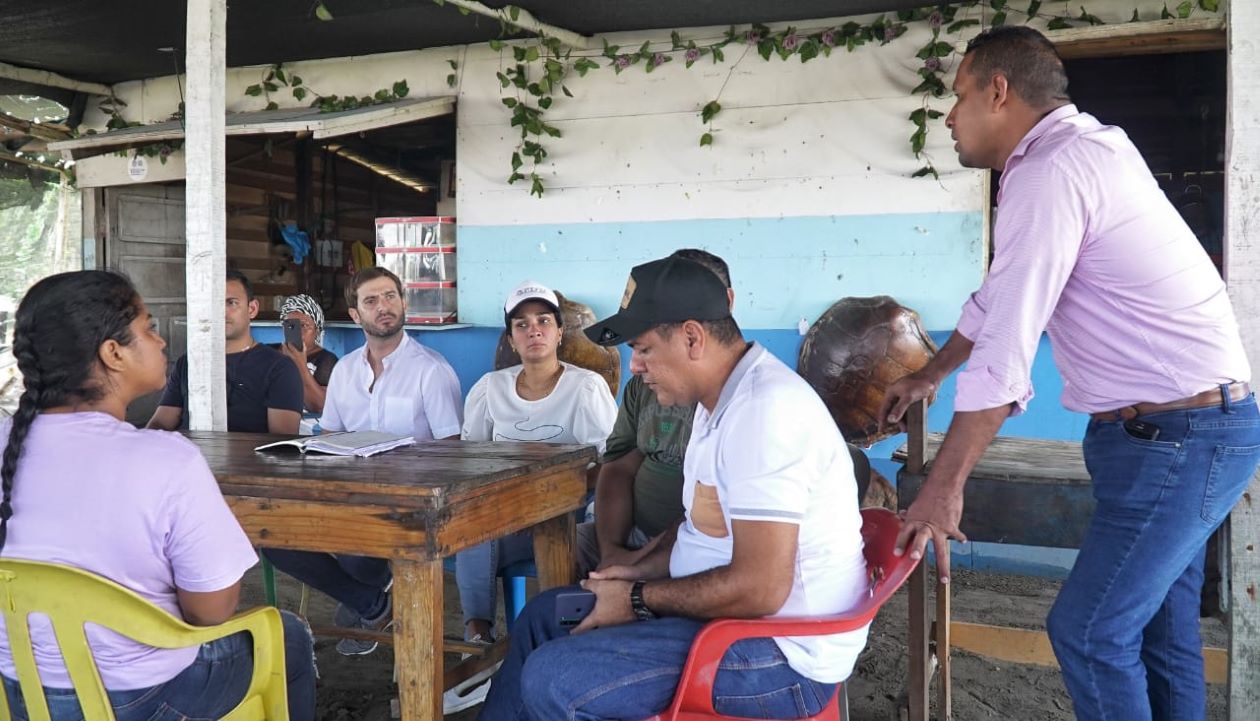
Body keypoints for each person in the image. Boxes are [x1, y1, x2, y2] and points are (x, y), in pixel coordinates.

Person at [877, 26, 1260, 721]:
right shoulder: (1079, 153)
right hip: (1177, 432)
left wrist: (943, 487)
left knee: (1087, 633)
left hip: (1179, 436)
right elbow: (998, 298)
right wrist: (932, 372)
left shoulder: (1052, 170)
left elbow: (1007, 350)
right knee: (1157, 632)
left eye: (960, 98)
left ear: (1000, 91)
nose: (951, 119)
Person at [478, 256, 868, 720]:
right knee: (544, 617)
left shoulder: (765, 413)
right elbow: (701, 526)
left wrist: (638, 597)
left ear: (691, 338)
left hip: (778, 653)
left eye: (642, 349)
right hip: (729, 619)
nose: (635, 366)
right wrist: (631, 567)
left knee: (554, 677)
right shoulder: (715, 403)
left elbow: (762, 588)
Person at [0, 271, 315, 720]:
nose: (162, 341)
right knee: (289, 637)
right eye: (148, 328)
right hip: (143, 698)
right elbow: (211, 611)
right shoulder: (166, 460)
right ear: (112, 353)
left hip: (18, 693)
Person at [263, 267, 463, 657]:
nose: (383, 307)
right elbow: (330, 435)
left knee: (357, 548)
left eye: (390, 297)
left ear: (404, 303)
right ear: (355, 315)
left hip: (406, 508)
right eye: (371, 301)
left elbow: (452, 451)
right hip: (346, 496)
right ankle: (372, 605)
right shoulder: (344, 371)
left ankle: (362, 604)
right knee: (274, 535)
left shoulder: (431, 369)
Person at [447, 280, 617, 713]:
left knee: (560, 538)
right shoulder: (490, 388)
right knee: (469, 525)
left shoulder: (586, 388)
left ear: (561, 332)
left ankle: (555, 646)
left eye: (544, 321)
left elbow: (608, 467)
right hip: (505, 522)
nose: (533, 330)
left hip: (568, 519)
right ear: (511, 337)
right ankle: (479, 640)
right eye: (521, 324)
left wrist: (557, 495)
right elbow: (471, 461)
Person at [577, 249, 732, 577]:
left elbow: (702, 527)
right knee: (562, 563)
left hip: (694, 556)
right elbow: (619, 467)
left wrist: (635, 575)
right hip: (639, 539)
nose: (633, 367)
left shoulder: (740, 407)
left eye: (645, 349)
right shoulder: (651, 388)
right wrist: (613, 553)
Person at [147, 269, 303, 434]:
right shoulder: (189, 362)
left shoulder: (279, 368)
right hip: (188, 457)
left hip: (248, 460)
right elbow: (160, 424)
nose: (221, 312)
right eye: (213, 304)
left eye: (231, 303)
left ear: (252, 309)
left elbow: (281, 444)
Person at [274, 293, 338, 416]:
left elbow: (319, 406)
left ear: (317, 330)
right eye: (291, 326)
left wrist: (299, 363)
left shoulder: (326, 360)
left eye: (304, 326)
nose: (299, 332)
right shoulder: (271, 353)